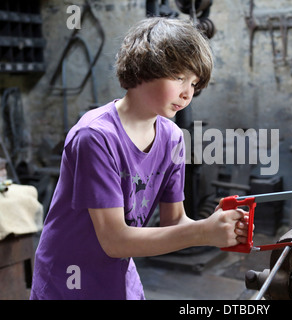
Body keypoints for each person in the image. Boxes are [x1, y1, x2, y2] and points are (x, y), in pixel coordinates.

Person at [30, 17, 249, 300]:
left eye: (194, 83)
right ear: (143, 68)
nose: (187, 93)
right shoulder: (95, 136)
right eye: (179, 77)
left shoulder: (172, 137)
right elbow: (114, 240)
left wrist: (215, 226)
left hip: (119, 274)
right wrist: (203, 234)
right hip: (68, 281)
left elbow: (174, 223)